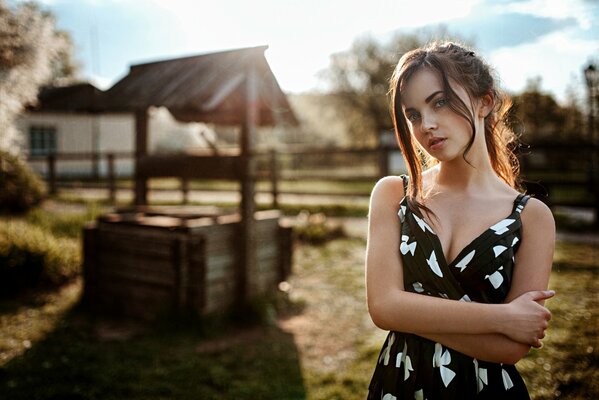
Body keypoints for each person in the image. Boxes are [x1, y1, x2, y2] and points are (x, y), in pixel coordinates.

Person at [365, 41, 555, 399]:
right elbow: (383, 307)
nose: (427, 126)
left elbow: (512, 348)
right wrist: (503, 318)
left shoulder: (531, 217)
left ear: (484, 102)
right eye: (413, 115)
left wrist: (411, 315)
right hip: (399, 387)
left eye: (440, 102)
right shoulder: (393, 194)